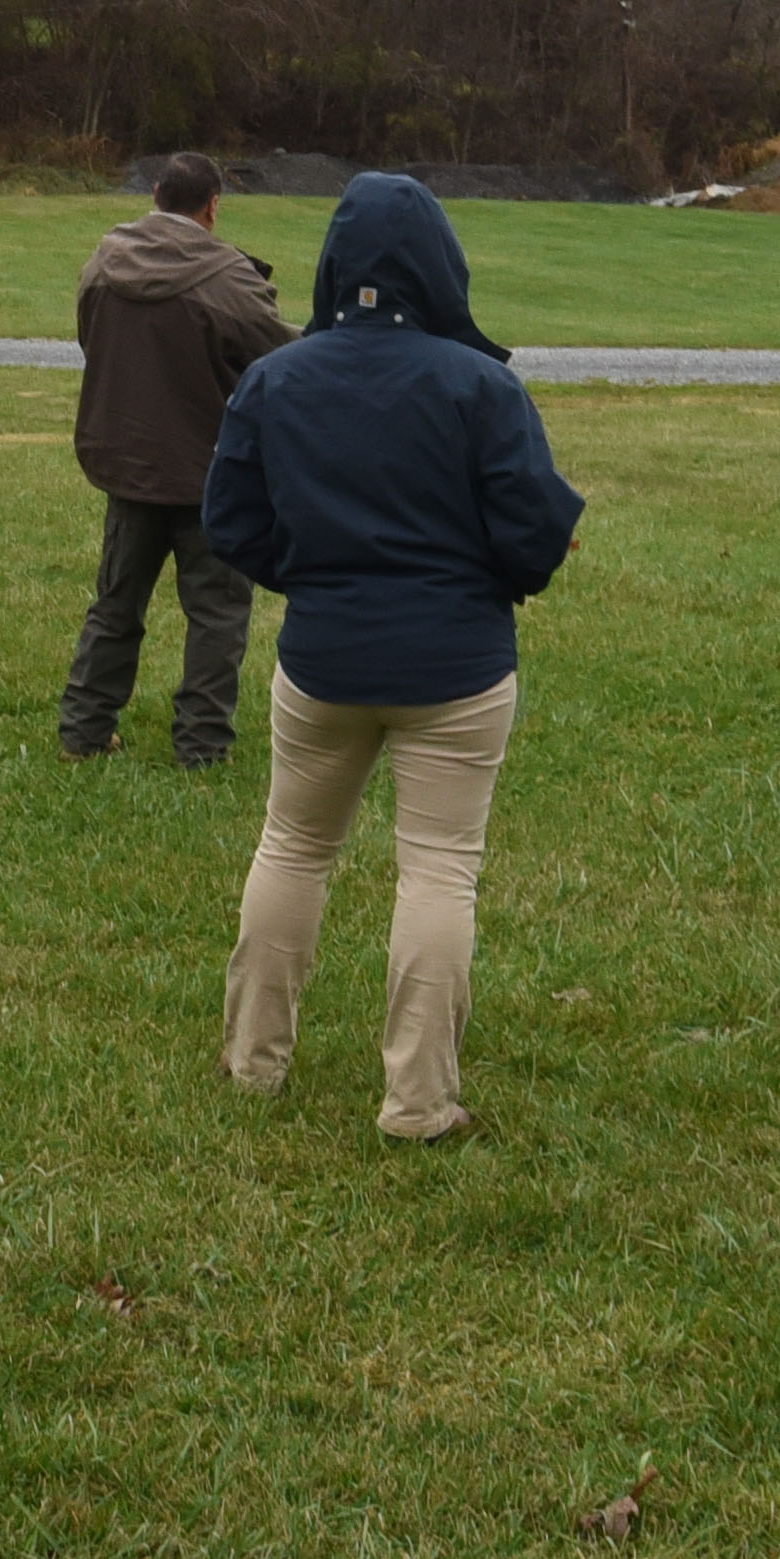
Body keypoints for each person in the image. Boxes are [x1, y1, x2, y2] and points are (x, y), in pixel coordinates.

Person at [204, 174, 585, 1142]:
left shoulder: (275, 378)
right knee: (438, 872)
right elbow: (534, 530)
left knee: (292, 848)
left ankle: (252, 1061)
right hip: (454, 665)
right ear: (439, 265)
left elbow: (232, 524)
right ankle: (417, 1103)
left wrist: (320, 576)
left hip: (324, 659)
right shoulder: (479, 385)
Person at [60, 152, 291, 770]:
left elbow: (91, 339)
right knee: (217, 614)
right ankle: (202, 745)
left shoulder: (104, 262)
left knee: (116, 602)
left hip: (127, 464)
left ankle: (84, 730)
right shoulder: (230, 277)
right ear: (212, 205)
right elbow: (278, 361)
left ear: (156, 192)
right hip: (210, 472)